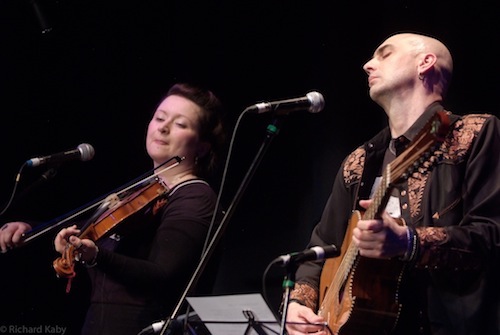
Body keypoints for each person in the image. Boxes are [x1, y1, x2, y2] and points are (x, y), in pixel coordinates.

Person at [284, 32, 500, 335]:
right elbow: (322, 248)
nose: (367, 64)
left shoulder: (474, 134)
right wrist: (300, 306)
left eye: (384, 54)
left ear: (425, 63)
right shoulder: (360, 161)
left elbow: (491, 237)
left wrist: (408, 242)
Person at [0, 82, 226, 335]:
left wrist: (97, 257)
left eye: (180, 124)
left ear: (203, 147)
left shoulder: (194, 196)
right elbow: (83, 233)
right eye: (160, 118)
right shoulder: (140, 192)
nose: (163, 127)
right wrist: (31, 229)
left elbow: (161, 275)